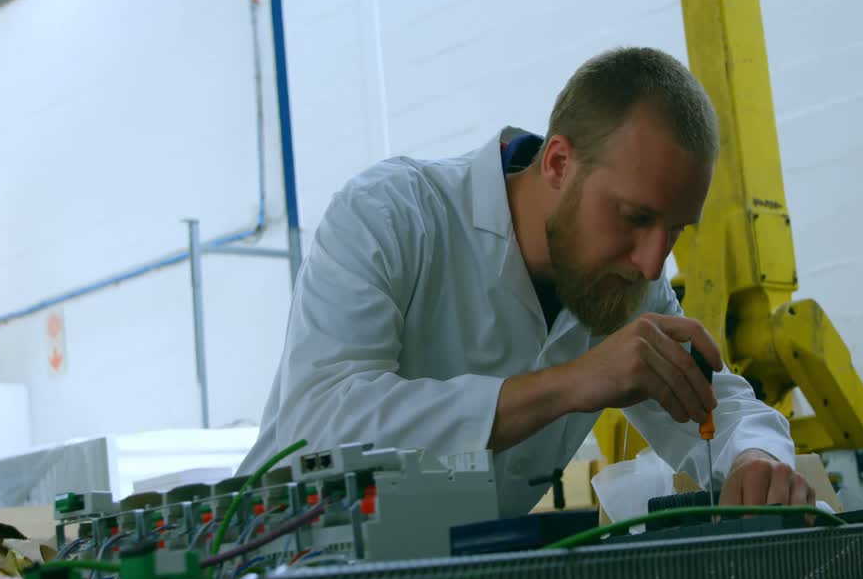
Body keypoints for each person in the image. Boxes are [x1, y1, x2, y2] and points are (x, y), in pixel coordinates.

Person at [238, 47, 815, 517]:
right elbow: (316, 429)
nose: (651, 263)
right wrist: (571, 383)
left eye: (676, 230)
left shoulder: (625, 285)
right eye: (636, 217)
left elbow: (726, 405)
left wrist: (754, 457)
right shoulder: (391, 214)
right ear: (560, 164)